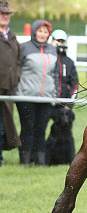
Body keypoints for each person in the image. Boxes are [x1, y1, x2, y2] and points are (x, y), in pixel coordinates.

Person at [14, 20, 58, 165]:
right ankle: (25, 161)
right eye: (40, 31)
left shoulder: (52, 49)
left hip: (46, 98)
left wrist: (55, 93)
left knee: (41, 130)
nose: (42, 34)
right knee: (27, 129)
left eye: (45, 32)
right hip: (26, 96)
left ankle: (40, 162)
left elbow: (56, 74)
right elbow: (16, 70)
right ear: (34, 32)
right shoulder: (24, 48)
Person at [45, 29, 79, 165]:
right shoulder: (47, 59)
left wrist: (68, 104)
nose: (59, 43)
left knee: (65, 133)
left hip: (63, 106)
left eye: (62, 41)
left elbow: (75, 83)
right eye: (57, 40)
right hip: (47, 103)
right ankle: (40, 158)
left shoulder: (69, 62)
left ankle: (68, 158)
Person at [0, 0, 22, 166]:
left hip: (8, 89)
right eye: (2, 13)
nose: (5, 16)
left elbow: (18, 61)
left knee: (5, 123)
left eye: (7, 14)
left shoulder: (13, 37)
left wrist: (16, 77)